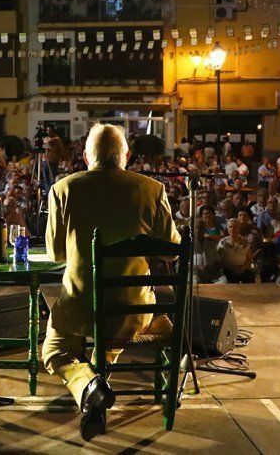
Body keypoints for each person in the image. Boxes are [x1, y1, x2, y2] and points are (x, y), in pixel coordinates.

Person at [42, 123, 181, 441]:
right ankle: (96, 381)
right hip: (130, 312)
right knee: (115, 336)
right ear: (126, 156)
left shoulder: (63, 188)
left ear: (86, 155)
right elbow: (172, 252)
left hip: (78, 308)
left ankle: (88, 386)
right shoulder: (151, 189)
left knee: (54, 351)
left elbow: (55, 253)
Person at [216, 219, 254, 283]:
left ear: (239, 228)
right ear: (227, 228)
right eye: (230, 227)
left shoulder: (245, 241)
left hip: (243, 270)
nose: (232, 229)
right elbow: (219, 259)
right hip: (228, 271)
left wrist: (243, 268)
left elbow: (249, 257)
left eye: (235, 227)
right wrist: (233, 268)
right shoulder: (222, 242)